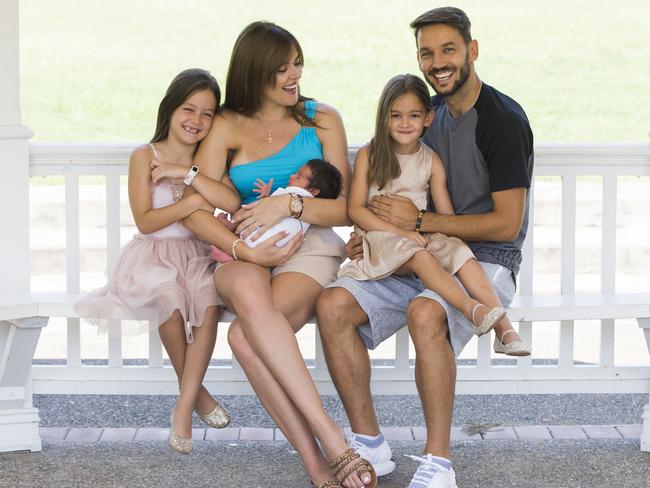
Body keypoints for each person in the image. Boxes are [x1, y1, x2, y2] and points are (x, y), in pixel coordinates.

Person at [317, 7, 534, 488]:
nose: (438, 62)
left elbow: (507, 223)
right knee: (332, 305)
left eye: (448, 50)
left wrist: (416, 222)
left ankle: (439, 462)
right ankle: (371, 443)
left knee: (425, 312)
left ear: (472, 51)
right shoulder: (426, 116)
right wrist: (370, 233)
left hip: (483, 260)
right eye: (427, 53)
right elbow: (382, 191)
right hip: (408, 251)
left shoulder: (503, 122)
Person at [176, 21, 376, 488]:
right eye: (282, 67)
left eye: (298, 62)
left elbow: (346, 206)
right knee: (246, 287)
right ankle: (333, 446)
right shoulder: (226, 124)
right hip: (239, 252)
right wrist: (242, 246)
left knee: (244, 339)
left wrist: (287, 202)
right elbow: (194, 211)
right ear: (255, 71)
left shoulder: (321, 119)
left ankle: (317, 463)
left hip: (308, 249)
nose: (295, 74)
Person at [75, 69, 234, 455]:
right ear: (170, 107)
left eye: (207, 114)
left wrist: (190, 178)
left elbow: (229, 202)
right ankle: (196, 397)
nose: (196, 121)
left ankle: (183, 403)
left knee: (208, 303)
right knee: (170, 302)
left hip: (195, 254)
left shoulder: (205, 159)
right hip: (152, 255)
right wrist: (193, 202)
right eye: (188, 109)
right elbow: (146, 221)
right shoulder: (145, 156)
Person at [339, 72, 530, 353]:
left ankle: (504, 329)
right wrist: (402, 231)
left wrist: (443, 240)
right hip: (382, 237)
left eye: (413, 116)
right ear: (384, 117)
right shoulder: (372, 154)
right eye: (396, 116)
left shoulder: (430, 160)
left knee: (459, 251)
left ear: (427, 118)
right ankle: (471, 309)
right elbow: (355, 209)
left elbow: (447, 217)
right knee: (419, 255)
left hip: (415, 235)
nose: (405, 124)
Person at [210, 158, 343, 261]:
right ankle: (232, 250)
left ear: (314, 191)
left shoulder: (295, 194)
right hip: (275, 246)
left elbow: (269, 207)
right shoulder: (311, 209)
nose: (292, 176)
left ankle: (232, 226)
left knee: (250, 208)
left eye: (298, 176)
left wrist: (266, 198)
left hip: (255, 240)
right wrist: (269, 195)